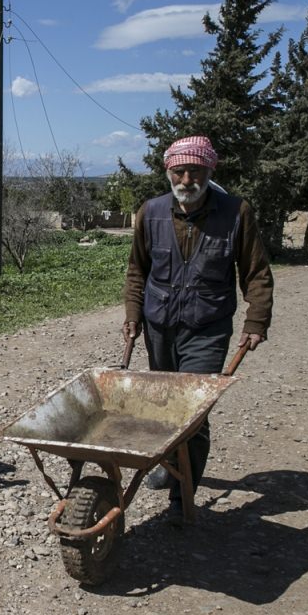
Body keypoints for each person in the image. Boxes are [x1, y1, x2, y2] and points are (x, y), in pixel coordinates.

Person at [122, 135, 274, 521]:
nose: (187, 179)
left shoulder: (236, 212)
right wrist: (133, 314)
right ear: (168, 172)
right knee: (165, 407)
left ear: (209, 171)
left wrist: (256, 319)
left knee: (192, 413)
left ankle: (181, 496)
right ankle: (171, 463)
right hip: (160, 326)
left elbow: (256, 272)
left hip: (208, 327)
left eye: (195, 171)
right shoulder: (151, 212)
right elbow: (138, 270)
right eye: (179, 171)